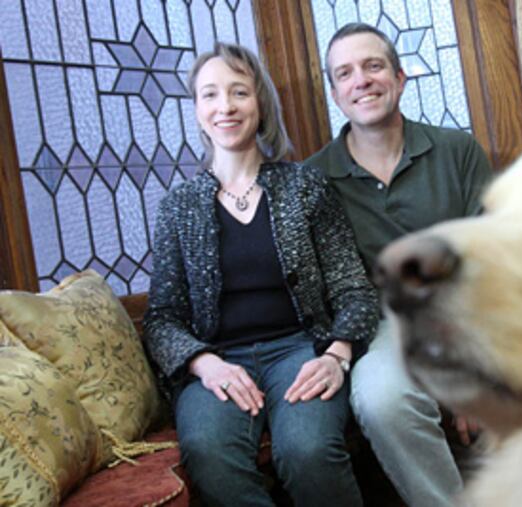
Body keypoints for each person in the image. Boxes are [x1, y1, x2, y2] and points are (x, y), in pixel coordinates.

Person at [143, 42, 377, 507]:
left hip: (298, 348)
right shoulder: (178, 207)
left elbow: (354, 287)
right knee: (208, 451)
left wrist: (336, 355)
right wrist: (202, 363)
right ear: (196, 111)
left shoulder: (305, 186)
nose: (225, 107)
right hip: (217, 359)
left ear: (260, 104)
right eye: (210, 95)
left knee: (308, 451)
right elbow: (162, 317)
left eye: (239, 93)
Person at [305, 23, 493, 507]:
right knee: (381, 398)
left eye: (373, 66)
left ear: (400, 76)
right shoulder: (312, 179)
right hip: (382, 324)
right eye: (345, 73)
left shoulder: (458, 152)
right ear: (335, 94)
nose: (361, 80)